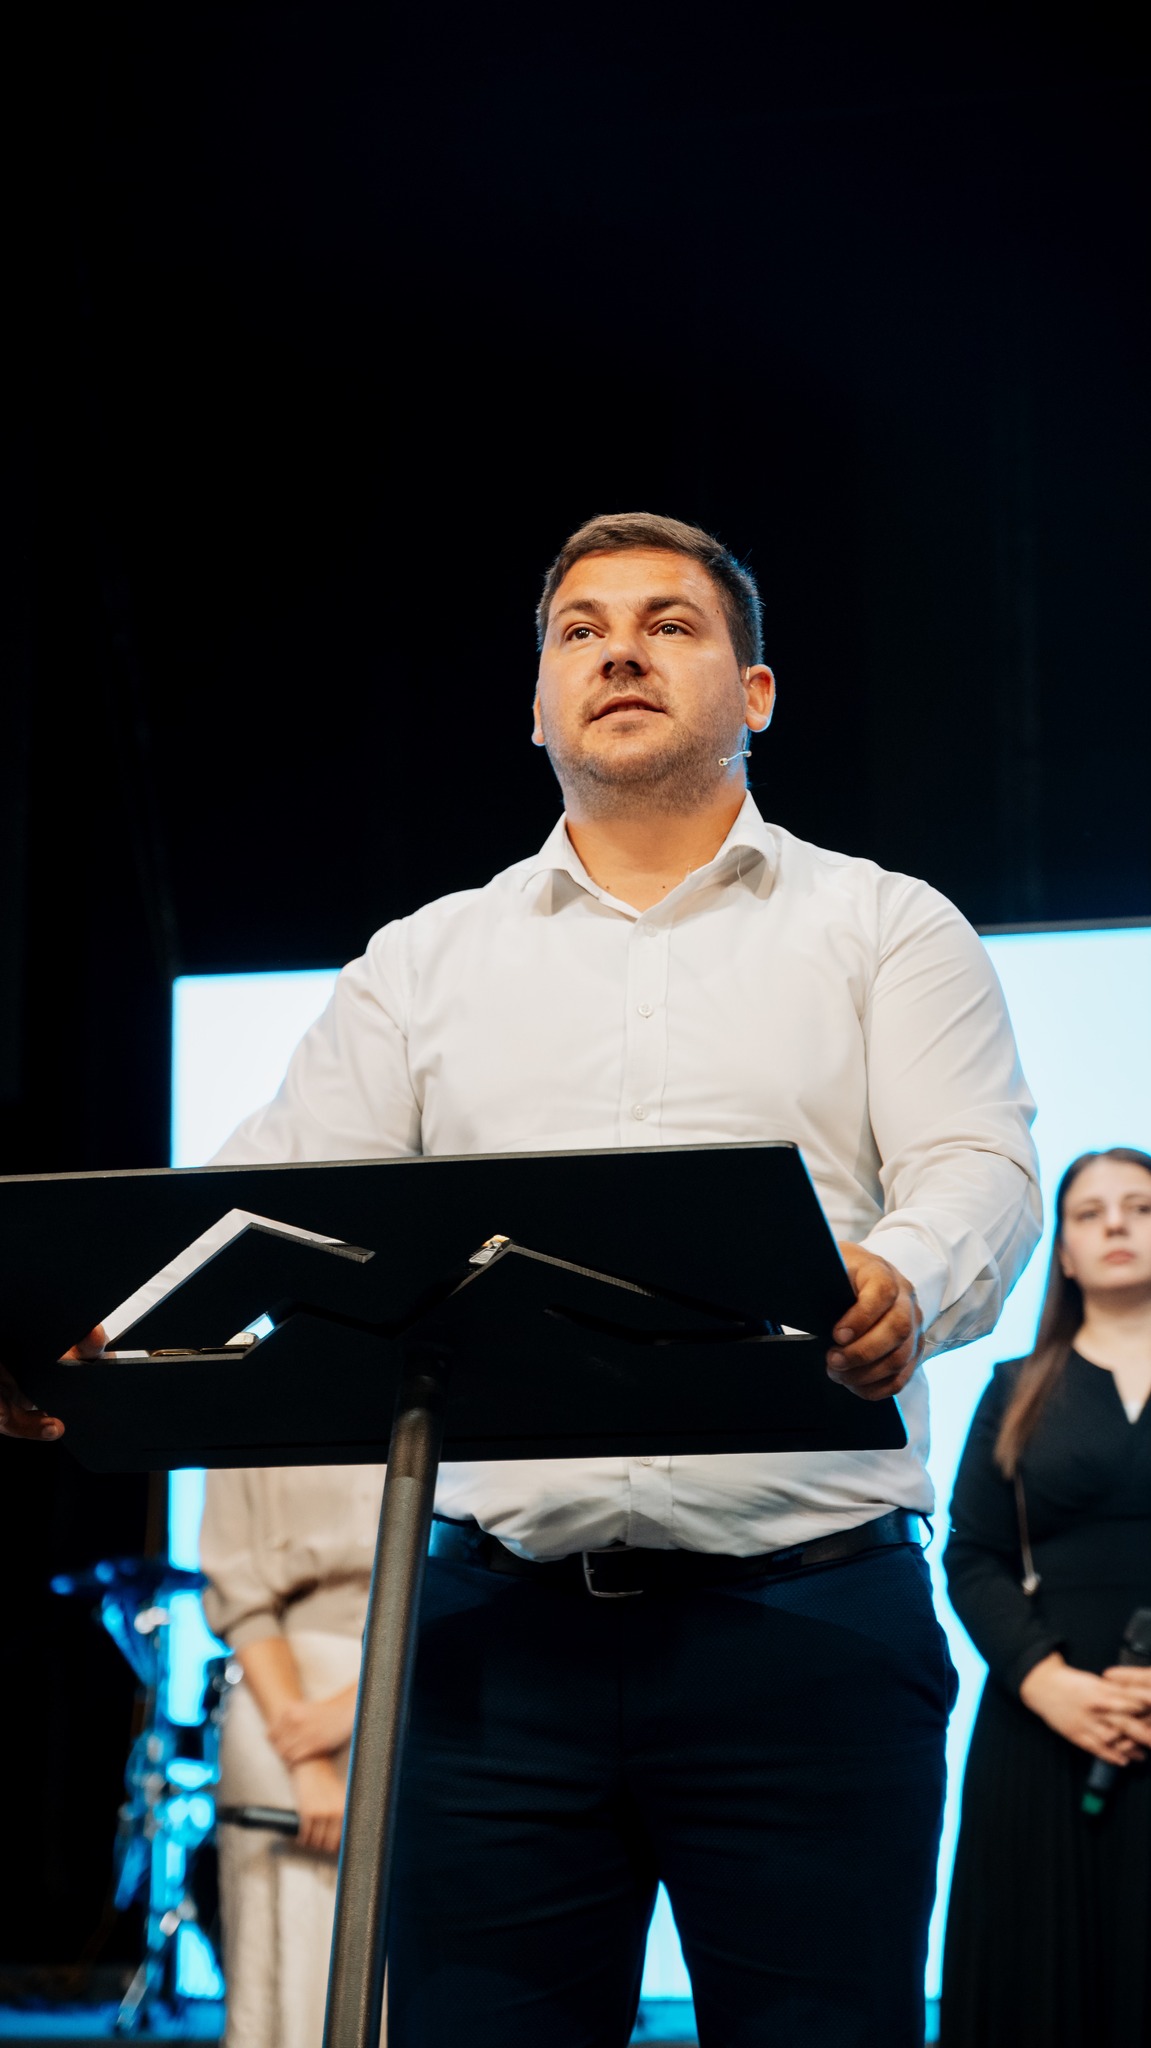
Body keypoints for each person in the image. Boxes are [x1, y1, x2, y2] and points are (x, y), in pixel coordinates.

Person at [3, 512, 1042, 2047]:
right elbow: (261, 1206)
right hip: (492, 1650)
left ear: (753, 692)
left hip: (808, 1636)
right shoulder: (424, 963)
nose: (619, 648)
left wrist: (901, 1273)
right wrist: (77, 1342)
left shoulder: (885, 926)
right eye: (580, 629)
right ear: (539, 704)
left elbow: (980, 1167)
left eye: (669, 623)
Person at [940, 1147, 1151, 2048]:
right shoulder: (1012, 1391)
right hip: (1042, 1726)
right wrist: (1044, 1681)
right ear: (1061, 1252)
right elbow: (970, 1557)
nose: (1114, 1224)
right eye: (1088, 1212)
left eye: (1139, 1206)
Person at [199, 1464, 387, 2048]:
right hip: (282, 1699)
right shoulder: (246, 1396)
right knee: (279, 1968)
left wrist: (365, 1705)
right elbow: (240, 1594)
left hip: (418, 1680)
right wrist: (305, 1759)